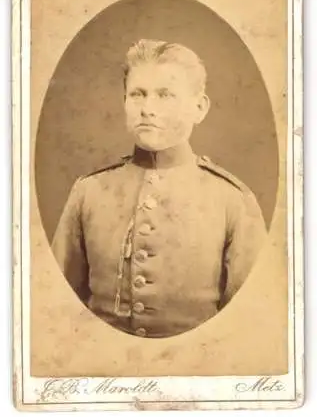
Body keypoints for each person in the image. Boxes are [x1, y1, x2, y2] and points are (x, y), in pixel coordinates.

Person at [52, 39, 267, 338]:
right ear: (124, 101)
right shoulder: (88, 192)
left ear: (199, 107)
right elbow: (56, 311)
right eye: (138, 94)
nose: (148, 109)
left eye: (165, 95)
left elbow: (248, 327)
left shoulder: (232, 200)